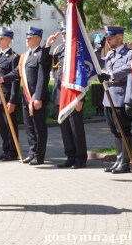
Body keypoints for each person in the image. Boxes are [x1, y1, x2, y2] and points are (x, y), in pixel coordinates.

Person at [0, 27, 51, 165]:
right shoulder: (24, 56)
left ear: (38, 39)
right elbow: (16, 73)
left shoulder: (41, 55)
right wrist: (2, 79)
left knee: (39, 127)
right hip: (26, 99)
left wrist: (38, 96)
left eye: (30, 37)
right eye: (27, 37)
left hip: (36, 98)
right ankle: (32, 152)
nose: (27, 40)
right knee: (29, 127)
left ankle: (39, 155)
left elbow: (42, 78)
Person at [47, 22, 88, 169]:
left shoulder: (77, 49)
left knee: (75, 127)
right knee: (65, 128)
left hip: (74, 96)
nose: (64, 36)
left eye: (66, 33)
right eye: (63, 34)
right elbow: (47, 65)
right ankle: (70, 156)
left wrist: (81, 98)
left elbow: (83, 74)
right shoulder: (59, 49)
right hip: (61, 95)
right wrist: (48, 45)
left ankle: (80, 157)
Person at [97, 25, 132, 174]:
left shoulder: (130, 54)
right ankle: (119, 159)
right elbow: (99, 64)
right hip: (108, 98)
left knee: (123, 130)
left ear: (120, 37)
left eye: (110, 37)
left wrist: (110, 76)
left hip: (120, 96)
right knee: (115, 131)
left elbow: (128, 69)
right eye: (106, 38)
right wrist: (97, 50)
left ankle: (125, 162)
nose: (108, 40)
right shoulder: (110, 54)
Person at [0, 29, 20, 162]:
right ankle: (5, 149)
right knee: (2, 126)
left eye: (2, 38)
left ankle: (12, 151)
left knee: (10, 126)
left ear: (9, 40)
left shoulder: (14, 57)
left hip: (7, 97)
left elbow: (15, 79)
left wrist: (13, 100)